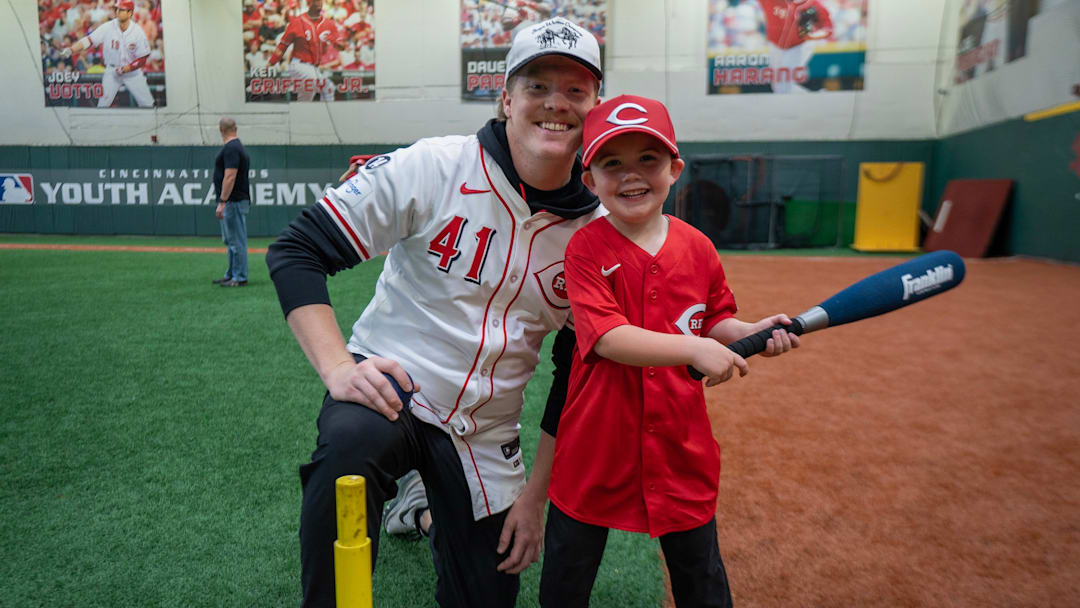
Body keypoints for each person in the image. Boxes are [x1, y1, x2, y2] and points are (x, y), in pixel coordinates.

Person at [265, 16, 604, 607]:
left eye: (576, 90)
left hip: (488, 434)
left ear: (596, 106)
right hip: (394, 390)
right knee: (349, 448)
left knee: (488, 592)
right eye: (537, 86)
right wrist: (339, 369)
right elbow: (297, 249)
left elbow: (576, 375)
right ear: (506, 98)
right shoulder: (436, 166)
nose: (557, 104)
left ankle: (423, 507)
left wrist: (534, 497)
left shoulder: (596, 236)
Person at [539, 95, 800, 608]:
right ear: (589, 180)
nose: (631, 175)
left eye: (648, 160)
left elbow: (716, 317)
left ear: (675, 169)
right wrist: (695, 347)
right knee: (567, 577)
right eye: (612, 163)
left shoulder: (698, 246)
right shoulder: (585, 248)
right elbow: (608, 337)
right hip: (596, 445)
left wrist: (752, 330)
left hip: (680, 446)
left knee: (700, 578)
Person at [62, 0, 154, 108]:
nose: (118, 12)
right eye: (117, 9)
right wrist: (71, 50)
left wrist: (127, 68)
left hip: (132, 72)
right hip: (112, 71)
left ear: (130, 13)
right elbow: (89, 40)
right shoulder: (108, 27)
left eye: (122, 10)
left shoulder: (137, 31)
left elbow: (143, 58)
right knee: (102, 105)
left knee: (148, 104)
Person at [267, 0, 338, 102]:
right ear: (309, 6)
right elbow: (283, 45)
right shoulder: (297, 22)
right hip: (300, 66)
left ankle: (299, 117)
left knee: (305, 101)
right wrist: (270, 64)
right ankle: (324, 118)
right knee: (328, 87)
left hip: (312, 68)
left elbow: (325, 48)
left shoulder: (321, 26)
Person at [757, 0, 833, 93]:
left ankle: (812, 99)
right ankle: (816, 98)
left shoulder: (812, 4)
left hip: (799, 46)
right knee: (778, 87)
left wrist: (813, 35)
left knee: (783, 84)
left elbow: (828, 28)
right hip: (775, 46)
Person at [212, 118, 252, 288]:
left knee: (236, 241)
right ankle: (232, 274)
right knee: (231, 241)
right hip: (235, 200)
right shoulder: (237, 147)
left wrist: (223, 201)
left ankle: (239, 276)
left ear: (220, 130)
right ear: (235, 128)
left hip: (233, 201)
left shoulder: (231, 148)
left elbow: (230, 176)